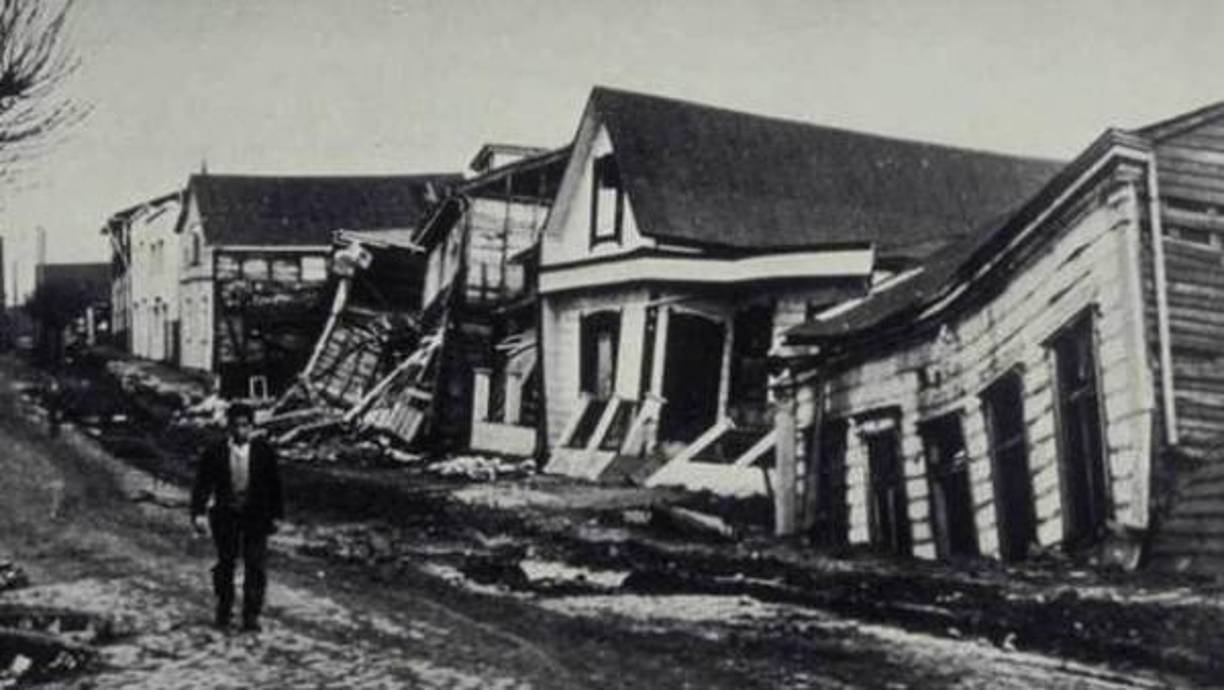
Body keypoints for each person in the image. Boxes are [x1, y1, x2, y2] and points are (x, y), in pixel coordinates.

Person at [190, 402, 283, 632]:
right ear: (229, 427)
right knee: (226, 564)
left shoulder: (263, 452)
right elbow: (202, 484)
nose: (241, 430)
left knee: (255, 565)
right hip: (226, 515)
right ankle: (224, 608)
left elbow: (275, 486)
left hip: (255, 516)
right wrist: (198, 513)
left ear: (252, 427)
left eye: (245, 425)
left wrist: (277, 515)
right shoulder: (216, 451)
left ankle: (251, 615)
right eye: (236, 426)